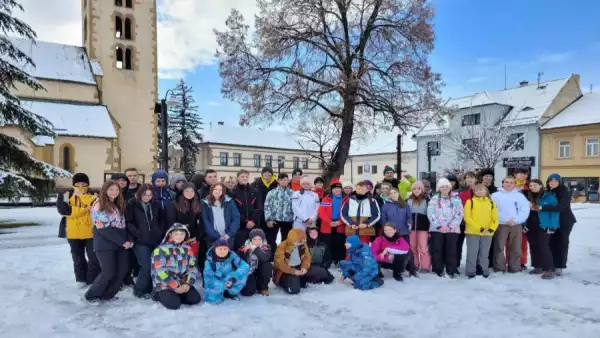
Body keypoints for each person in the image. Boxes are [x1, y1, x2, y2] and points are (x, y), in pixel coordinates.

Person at [84, 180, 132, 302]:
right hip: (105, 244)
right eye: (111, 189)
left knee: (122, 270)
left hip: (119, 243)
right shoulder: (99, 204)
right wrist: (122, 242)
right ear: (104, 190)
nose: (114, 192)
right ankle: (92, 295)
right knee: (108, 272)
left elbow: (122, 225)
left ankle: (108, 295)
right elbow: (104, 228)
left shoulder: (117, 204)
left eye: (116, 190)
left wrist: (127, 240)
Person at [57, 173, 100, 286]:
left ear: (88, 184)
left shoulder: (95, 194)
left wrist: (82, 199)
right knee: (78, 257)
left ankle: (92, 280)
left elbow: (96, 207)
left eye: (84, 183)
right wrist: (84, 209)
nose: (81, 185)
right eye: (78, 183)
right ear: (74, 184)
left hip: (91, 232)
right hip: (73, 232)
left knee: (94, 258)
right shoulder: (66, 194)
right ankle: (81, 279)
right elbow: (65, 210)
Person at [125, 184, 167, 298]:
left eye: (149, 195)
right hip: (140, 241)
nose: (147, 197)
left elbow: (162, 220)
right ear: (140, 193)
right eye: (144, 195)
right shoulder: (132, 204)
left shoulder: (156, 205)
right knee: (146, 266)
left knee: (156, 265)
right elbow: (128, 222)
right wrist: (137, 233)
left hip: (155, 239)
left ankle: (151, 288)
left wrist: (160, 231)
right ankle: (139, 290)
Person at [151, 223, 201, 310]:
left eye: (182, 234)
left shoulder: (188, 249)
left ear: (186, 235)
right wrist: (175, 286)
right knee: (174, 305)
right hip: (165, 283)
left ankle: (176, 294)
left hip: (182, 282)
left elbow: (192, 267)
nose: (179, 236)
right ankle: (157, 294)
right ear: (170, 234)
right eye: (176, 234)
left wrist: (187, 284)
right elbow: (160, 272)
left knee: (195, 299)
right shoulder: (160, 250)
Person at [538, 174, 576, 276]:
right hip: (552, 222)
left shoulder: (564, 192)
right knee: (551, 243)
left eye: (555, 181)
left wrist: (542, 208)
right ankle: (552, 265)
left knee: (562, 243)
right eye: (551, 181)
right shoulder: (548, 191)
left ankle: (560, 266)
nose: (553, 182)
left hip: (564, 221)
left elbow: (560, 207)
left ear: (559, 182)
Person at [491, 176, 530, 273]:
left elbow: (524, 210)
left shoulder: (519, 196)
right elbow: (493, 210)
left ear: (514, 184)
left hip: (516, 225)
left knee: (516, 247)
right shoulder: (495, 196)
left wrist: (516, 220)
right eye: (506, 182)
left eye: (511, 182)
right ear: (503, 183)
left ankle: (515, 267)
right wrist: (504, 219)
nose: (508, 184)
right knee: (499, 246)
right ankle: (500, 267)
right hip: (501, 224)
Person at [427, 178, 464, 278]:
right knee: (437, 249)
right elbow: (430, 213)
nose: (445, 188)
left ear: (450, 187)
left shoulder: (456, 199)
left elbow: (459, 213)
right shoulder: (434, 199)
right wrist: (438, 226)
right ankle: (437, 269)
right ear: (439, 188)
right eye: (442, 186)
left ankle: (451, 270)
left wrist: (450, 226)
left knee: (451, 250)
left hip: (452, 229)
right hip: (437, 229)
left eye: (446, 186)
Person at [526, 179, 560, 279]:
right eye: (531, 185)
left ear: (541, 185)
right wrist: (524, 224)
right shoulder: (529, 197)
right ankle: (537, 266)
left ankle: (549, 269)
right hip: (531, 225)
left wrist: (552, 226)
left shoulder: (549, 196)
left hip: (544, 225)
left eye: (535, 185)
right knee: (533, 246)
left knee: (543, 246)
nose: (532, 187)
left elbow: (555, 213)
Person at [463, 184, 498, 278]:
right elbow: (467, 218)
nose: (479, 191)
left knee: (484, 253)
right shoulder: (470, 202)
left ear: (486, 191)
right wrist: (479, 228)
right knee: (472, 252)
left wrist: (492, 229)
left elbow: (495, 218)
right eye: (477, 190)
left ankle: (484, 270)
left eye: (481, 189)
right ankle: (470, 271)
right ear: (474, 192)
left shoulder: (491, 203)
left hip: (487, 232)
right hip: (472, 232)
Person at [381, 187, 418, 276]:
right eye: (391, 194)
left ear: (398, 194)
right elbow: (383, 219)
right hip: (391, 233)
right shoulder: (386, 205)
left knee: (407, 250)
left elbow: (409, 217)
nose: (393, 195)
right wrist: (387, 229)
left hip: (403, 232)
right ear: (388, 196)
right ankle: (397, 270)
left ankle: (411, 269)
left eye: (395, 193)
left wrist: (409, 223)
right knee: (395, 251)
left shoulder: (405, 204)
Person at [203, 239, 250, 304]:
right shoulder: (209, 261)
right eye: (220, 249)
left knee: (242, 275)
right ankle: (222, 292)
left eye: (225, 249)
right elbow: (208, 278)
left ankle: (231, 292)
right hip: (217, 284)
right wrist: (223, 285)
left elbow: (245, 266)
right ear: (215, 249)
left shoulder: (232, 256)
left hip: (230, 280)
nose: (222, 251)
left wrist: (234, 277)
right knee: (212, 300)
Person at [173, 183, 205, 272]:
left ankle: (188, 281)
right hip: (179, 237)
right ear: (182, 192)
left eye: (192, 191)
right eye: (187, 191)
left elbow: (201, 222)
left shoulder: (199, 203)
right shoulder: (175, 203)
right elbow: (173, 222)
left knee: (191, 261)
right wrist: (181, 236)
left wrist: (197, 236)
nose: (189, 193)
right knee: (179, 261)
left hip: (194, 238)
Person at [273, 228, 313, 294]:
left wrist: (304, 267)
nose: (301, 243)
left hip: (299, 267)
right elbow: (280, 264)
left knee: (322, 273)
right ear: (292, 239)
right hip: (285, 271)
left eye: (303, 241)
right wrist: (293, 271)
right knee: (294, 289)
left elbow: (307, 257)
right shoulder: (282, 246)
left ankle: (299, 279)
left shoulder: (302, 244)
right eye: (299, 241)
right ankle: (284, 282)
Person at [317, 178, 346, 264]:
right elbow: (321, 212)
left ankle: (339, 260)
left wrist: (340, 222)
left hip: (340, 224)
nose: (337, 190)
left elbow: (348, 213)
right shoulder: (326, 199)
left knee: (339, 243)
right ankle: (328, 260)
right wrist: (329, 222)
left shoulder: (345, 199)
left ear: (341, 189)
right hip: (328, 225)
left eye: (338, 188)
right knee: (327, 243)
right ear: (331, 190)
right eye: (334, 188)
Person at [202, 183, 240, 248]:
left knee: (227, 256)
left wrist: (229, 234)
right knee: (213, 256)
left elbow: (236, 218)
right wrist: (216, 236)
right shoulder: (205, 203)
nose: (217, 191)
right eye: (215, 189)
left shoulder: (229, 202)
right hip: (213, 238)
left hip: (228, 237)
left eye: (220, 190)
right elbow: (205, 221)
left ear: (223, 191)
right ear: (211, 190)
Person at [264, 173, 294, 252]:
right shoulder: (272, 193)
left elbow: (295, 207)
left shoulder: (292, 193)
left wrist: (294, 219)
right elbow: (267, 206)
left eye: (285, 180)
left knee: (286, 240)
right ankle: (272, 256)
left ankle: (284, 257)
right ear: (278, 181)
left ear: (288, 181)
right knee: (271, 239)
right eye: (281, 180)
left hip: (288, 220)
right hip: (274, 220)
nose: (283, 181)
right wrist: (268, 219)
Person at [231, 169, 260, 250]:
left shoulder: (254, 191)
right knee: (240, 248)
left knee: (253, 249)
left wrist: (253, 220)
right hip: (240, 227)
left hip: (253, 225)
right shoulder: (233, 192)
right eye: (242, 176)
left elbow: (257, 207)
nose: (244, 178)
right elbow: (234, 211)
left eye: (246, 177)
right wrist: (245, 221)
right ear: (237, 178)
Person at [406, 181, 431, 273]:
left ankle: (425, 266)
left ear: (422, 190)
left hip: (423, 228)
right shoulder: (408, 200)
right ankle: (415, 264)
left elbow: (430, 215)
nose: (416, 190)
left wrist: (429, 227)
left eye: (419, 188)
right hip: (411, 228)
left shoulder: (427, 200)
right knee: (412, 247)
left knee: (423, 247)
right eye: (414, 189)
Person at [238, 229, 272, 296]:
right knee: (248, 292)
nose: (257, 242)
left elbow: (265, 258)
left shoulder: (266, 247)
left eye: (259, 239)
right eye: (255, 239)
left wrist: (255, 249)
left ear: (263, 239)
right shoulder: (244, 248)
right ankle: (250, 283)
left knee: (267, 265)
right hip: (249, 272)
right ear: (251, 239)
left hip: (260, 272)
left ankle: (263, 288)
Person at [457, 171, 478, 272]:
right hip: (462, 223)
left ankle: (473, 266)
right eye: (467, 178)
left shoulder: (480, 190)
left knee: (473, 246)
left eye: (471, 177)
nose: (469, 179)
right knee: (458, 244)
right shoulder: (461, 193)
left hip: (475, 223)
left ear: (476, 179)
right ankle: (456, 264)